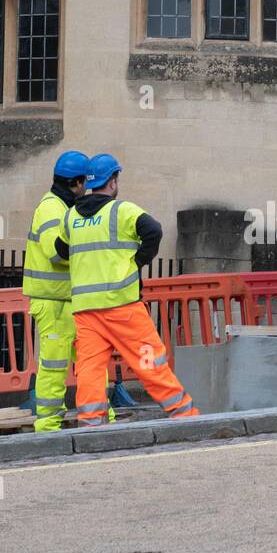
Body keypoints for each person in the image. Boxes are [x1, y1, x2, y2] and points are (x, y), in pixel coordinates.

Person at [55, 154, 199, 425]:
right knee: (150, 364)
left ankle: (90, 424)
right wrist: (136, 262)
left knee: (90, 371)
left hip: (86, 312)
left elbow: (60, 250)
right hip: (122, 307)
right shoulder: (122, 211)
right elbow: (154, 232)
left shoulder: (70, 217)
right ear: (112, 181)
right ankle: (185, 415)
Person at [23, 150, 89, 432]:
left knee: (88, 360)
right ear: (76, 183)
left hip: (64, 300)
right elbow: (56, 252)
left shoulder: (62, 207)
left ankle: (98, 415)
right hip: (53, 301)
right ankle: (48, 425)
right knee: (53, 364)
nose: (87, 188)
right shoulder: (52, 208)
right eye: (85, 182)